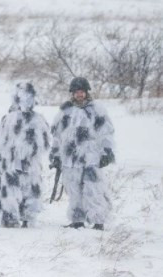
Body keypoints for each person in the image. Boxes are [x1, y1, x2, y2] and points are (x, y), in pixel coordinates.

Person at [49, 77, 115, 230]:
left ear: (86, 92)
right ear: (72, 93)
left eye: (82, 92)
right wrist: (56, 155)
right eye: (77, 92)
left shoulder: (96, 110)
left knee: (94, 190)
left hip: (91, 158)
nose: (80, 94)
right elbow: (57, 136)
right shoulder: (65, 111)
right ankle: (77, 220)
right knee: (74, 191)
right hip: (70, 160)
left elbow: (106, 133)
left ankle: (98, 221)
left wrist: (107, 152)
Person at [0, 82, 50, 228]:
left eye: (28, 98)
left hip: (31, 164)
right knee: (10, 192)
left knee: (31, 192)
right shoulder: (9, 119)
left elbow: (47, 142)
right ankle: (10, 218)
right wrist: (10, 151)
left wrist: (33, 150)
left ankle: (28, 219)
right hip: (12, 163)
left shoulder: (39, 119)